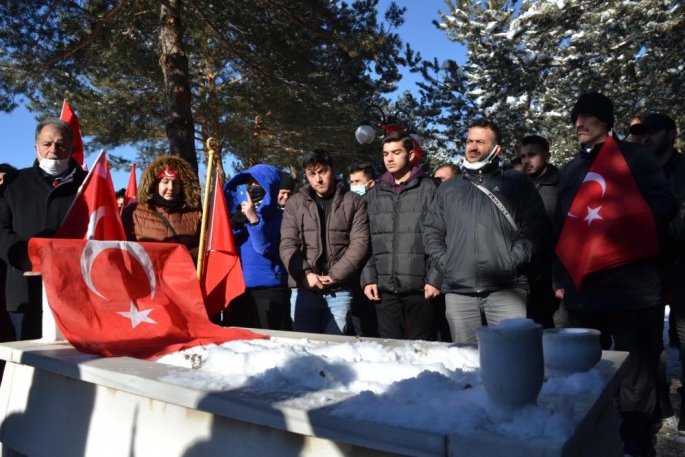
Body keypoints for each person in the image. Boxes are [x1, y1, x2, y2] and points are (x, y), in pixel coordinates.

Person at [554, 93, 677, 456]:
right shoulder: (572, 169)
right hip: (584, 291)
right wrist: (559, 279)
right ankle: (594, 441)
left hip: (633, 290)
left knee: (635, 379)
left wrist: (615, 222)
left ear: (607, 121)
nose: (578, 124)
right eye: (575, 118)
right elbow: (564, 226)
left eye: (587, 117)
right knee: (585, 375)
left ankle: (637, 445)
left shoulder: (636, 157)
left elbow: (664, 204)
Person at [423, 118, 550, 345]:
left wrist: (511, 260)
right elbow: (432, 230)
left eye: (480, 142)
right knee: (466, 364)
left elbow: (536, 226)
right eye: (469, 141)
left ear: (496, 148)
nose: (472, 147)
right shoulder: (449, 187)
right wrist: (447, 263)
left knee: (511, 358)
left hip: (507, 289)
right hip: (458, 291)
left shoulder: (516, 181)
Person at [0, 119, 87, 340]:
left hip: (77, 289)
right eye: (47, 144)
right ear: (36, 147)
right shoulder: (14, 183)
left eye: (61, 144)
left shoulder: (89, 184)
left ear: (71, 147)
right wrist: (20, 254)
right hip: (25, 288)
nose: (53, 150)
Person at [630, 112, 684, 431]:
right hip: (646, 265)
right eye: (642, 132)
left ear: (672, 134)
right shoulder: (634, 173)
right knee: (649, 339)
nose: (646, 137)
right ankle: (658, 402)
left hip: (682, 262)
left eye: (653, 131)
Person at [361, 131, 441, 340]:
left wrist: (435, 277)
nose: (389, 158)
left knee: (422, 349)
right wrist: (369, 278)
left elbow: (443, 238)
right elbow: (365, 240)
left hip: (421, 288)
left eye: (396, 152)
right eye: (386, 153)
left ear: (411, 154)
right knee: (389, 351)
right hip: (384, 288)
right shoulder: (374, 194)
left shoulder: (431, 189)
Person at [280, 150, 369, 335]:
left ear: (333, 170)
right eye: (312, 174)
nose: (318, 179)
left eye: (322, 172)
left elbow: (359, 243)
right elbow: (288, 244)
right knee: (304, 349)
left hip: (339, 289)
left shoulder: (354, 202)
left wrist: (335, 275)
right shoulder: (294, 203)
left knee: (335, 351)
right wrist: (305, 274)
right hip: (303, 288)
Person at [223, 164, 291, 330]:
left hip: (269, 290)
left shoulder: (280, 217)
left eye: (256, 184)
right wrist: (233, 224)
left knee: (271, 343)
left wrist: (254, 220)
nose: (251, 188)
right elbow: (224, 247)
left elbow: (264, 248)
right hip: (239, 289)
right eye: (247, 183)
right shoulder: (234, 215)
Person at [518, 135, 561, 329]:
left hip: (554, 274)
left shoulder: (562, 185)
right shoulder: (515, 187)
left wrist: (561, 278)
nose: (526, 161)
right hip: (524, 274)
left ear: (547, 156)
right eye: (523, 156)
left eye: (532, 155)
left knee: (559, 337)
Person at [122, 155, 202, 260]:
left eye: (176, 183)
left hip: (183, 273)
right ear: (155, 184)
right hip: (147, 274)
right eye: (165, 182)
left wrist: (190, 256)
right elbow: (125, 247)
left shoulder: (196, 215)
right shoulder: (134, 212)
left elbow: (205, 246)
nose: (171, 187)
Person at [347, 162, 378, 336]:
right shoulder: (349, 206)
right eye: (351, 182)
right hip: (354, 277)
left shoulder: (377, 207)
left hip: (374, 277)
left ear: (371, 184)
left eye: (358, 182)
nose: (354, 186)